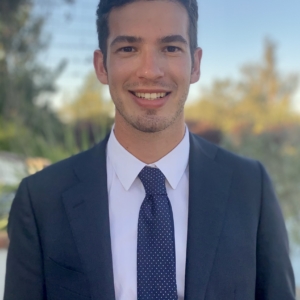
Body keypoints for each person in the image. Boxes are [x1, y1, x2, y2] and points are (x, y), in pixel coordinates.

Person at [4, 0, 296, 299]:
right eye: (128, 49)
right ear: (101, 66)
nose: (150, 71)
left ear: (195, 65)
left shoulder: (250, 188)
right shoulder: (41, 201)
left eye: (170, 48)